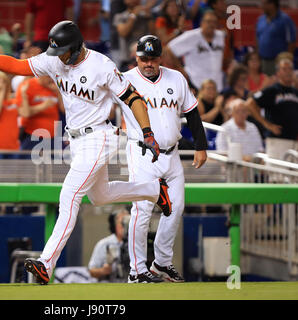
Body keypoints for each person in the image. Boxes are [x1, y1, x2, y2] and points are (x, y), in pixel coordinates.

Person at [0, 20, 168, 284]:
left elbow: (133, 98)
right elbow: (18, 66)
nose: (58, 56)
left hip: (101, 136)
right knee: (100, 196)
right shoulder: (55, 60)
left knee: (69, 196)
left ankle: (46, 264)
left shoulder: (101, 65)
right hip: (77, 140)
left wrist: (147, 132)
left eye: (63, 51)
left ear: (76, 46)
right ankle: (154, 190)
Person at [117, 35, 207, 283]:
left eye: (153, 58)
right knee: (142, 209)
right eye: (144, 58)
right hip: (142, 153)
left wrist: (201, 145)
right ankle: (136, 270)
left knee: (175, 208)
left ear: (160, 58)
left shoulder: (176, 77)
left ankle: (161, 263)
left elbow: (192, 113)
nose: (148, 63)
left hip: (172, 153)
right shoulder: (126, 80)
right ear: (136, 57)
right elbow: (105, 106)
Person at [245, 58, 298, 160]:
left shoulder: (295, 92)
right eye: (284, 69)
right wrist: (267, 125)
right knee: (276, 174)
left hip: (294, 140)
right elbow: (250, 103)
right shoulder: (272, 90)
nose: (288, 72)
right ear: (278, 72)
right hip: (277, 140)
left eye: (290, 69)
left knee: (293, 175)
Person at [166, 10, 225, 91]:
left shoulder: (220, 36)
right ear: (202, 23)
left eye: (214, 22)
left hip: (216, 84)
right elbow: (170, 49)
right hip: (196, 83)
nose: (211, 24)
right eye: (208, 21)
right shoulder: (191, 36)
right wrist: (181, 70)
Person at [16, 76, 60, 155]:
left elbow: (63, 109)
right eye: (48, 76)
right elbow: (24, 113)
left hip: (52, 136)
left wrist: (59, 91)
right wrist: (43, 106)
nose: (51, 79)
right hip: (32, 135)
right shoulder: (26, 86)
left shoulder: (54, 86)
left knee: (52, 166)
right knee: (30, 165)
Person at [88, 209, 130, 282]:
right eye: (122, 224)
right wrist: (103, 270)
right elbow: (92, 271)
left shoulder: (136, 245)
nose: (125, 227)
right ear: (115, 225)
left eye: (128, 224)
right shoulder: (104, 244)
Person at [256, 0, 296, 76]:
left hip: (278, 62)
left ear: (272, 5)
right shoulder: (260, 20)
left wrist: (286, 61)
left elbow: (291, 41)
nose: (262, 6)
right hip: (263, 61)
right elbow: (257, 38)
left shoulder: (285, 20)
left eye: (264, 4)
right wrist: (258, 58)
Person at [113, 0, 154, 71]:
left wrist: (149, 17)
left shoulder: (145, 15)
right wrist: (133, 15)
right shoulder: (119, 16)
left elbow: (154, 35)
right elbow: (123, 33)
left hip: (146, 59)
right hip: (127, 60)